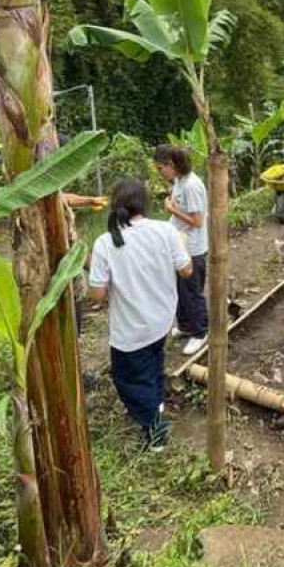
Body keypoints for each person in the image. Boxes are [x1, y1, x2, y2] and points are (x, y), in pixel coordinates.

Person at [88, 179, 193, 450]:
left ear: (115, 206)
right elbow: (186, 270)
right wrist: (181, 245)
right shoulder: (165, 230)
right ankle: (155, 404)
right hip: (162, 319)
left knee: (128, 381)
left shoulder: (105, 243)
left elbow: (97, 296)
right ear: (145, 204)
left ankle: (155, 433)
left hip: (131, 329)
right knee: (154, 363)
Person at [153, 145, 209, 357]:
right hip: (179, 244)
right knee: (179, 289)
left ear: (171, 164)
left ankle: (200, 332)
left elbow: (197, 221)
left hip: (192, 248)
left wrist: (171, 209)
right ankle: (186, 326)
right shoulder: (179, 181)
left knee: (191, 292)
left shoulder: (191, 186)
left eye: (160, 168)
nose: (160, 173)